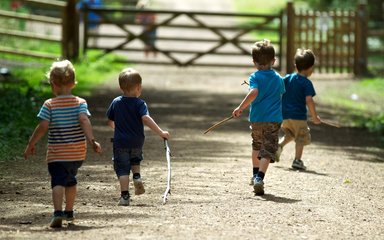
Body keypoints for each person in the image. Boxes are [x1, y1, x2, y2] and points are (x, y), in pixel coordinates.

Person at [23, 60, 102, 228]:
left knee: (58, 181)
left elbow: (43, 126)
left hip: (57, 154)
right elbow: (84, 120)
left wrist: (31, 143)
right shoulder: (80, 103)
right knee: (71, 179)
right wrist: (92, 140)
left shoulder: (49, 104)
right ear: (73, 83)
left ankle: (57, 212)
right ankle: (69, 211)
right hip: (76, 153)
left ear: (52, 84)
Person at [107, 68, 170, 206]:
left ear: (120, 87)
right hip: (137, 141)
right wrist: (160, 133)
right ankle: (136, 177)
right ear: (139, 87)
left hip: (120, 142)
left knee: (122, 168)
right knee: (135, 160)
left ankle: (124, 197)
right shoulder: (140, 104)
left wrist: (119, 130)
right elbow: (146, 119)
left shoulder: (116, 102)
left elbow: (110, 121)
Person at [232, 39, 285, 196]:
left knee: (256, 146)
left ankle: (255, 175)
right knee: (267, 150)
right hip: (273, 120)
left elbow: (254, 92)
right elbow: (281, 93)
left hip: (257, 119)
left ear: (254, 62)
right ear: (273, 61)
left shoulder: (254, 77)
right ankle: (259, 178)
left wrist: (240, 107)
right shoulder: (278, 79)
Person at [277, 49, 321, 170]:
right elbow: (309, 100)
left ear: (296, 66)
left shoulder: (287, 78)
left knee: (290, 134)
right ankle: (297, 160)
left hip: (285, 115)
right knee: (301, 137)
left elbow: (278, 89)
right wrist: (314, 116)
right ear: (311, 68)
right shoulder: (306, 83)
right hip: (298, 116)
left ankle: (279, 146)